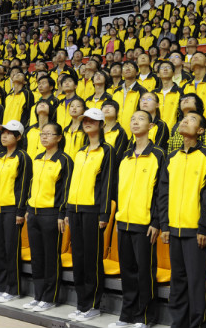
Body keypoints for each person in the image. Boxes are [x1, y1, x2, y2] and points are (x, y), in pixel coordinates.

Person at [109, 110, 165, 328]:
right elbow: (119, 189)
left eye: (141, 119)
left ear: (151, 126)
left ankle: (145, 317)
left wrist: (156, 222)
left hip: (145, 223)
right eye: (132, 119)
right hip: (124, 221)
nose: (135, 122)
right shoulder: (124, 155)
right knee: (127, 272)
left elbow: (161, 192)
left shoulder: (158, 154)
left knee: (144, 273)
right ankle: (127, 315)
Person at [158, 111, 206, 328]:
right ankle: (178, 323)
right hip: (174, 229)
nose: (184, 120)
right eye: (184, 118)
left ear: (200, 131)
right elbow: (164, 194)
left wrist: (204, 227)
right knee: (177, 282)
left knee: (197, 283)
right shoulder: (172, 157)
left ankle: (197, 324)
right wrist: (164, 225)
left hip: (196, 231)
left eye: (191, 120)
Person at [65, 107, 113, 321]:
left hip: (93, 210)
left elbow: (107, 184)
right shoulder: (80, 151)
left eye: (93, 120)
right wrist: (68, 209)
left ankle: (93, 304)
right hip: (75, 209)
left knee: (92, 259)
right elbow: (73, 182)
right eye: (85, 120)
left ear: (102, 124)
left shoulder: (107, 150)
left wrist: (104, 214)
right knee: (78, 257)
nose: (87, 122)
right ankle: (81, 303)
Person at [24, 122, 73, 313]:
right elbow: (31, 185)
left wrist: (62, 213)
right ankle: (38, 296)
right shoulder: (36, 158)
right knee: (37, 257)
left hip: (52, 213)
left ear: (59, 138)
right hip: (34, 212)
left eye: (49, 134)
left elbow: (66, 190)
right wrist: (28, 207)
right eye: (42, 134)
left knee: (51, 257)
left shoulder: (64, 160)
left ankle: (49, 297)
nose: (44, 137)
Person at [0, 120, 32, 303]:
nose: (4, 135)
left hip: (12, 209)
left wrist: (20, 211)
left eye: (9, 133)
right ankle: (1, 287)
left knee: (11, 249)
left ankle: (13, 289)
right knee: (0, 249)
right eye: (2, 132)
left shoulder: (22, 157)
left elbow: (23, 185)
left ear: (18, 137)